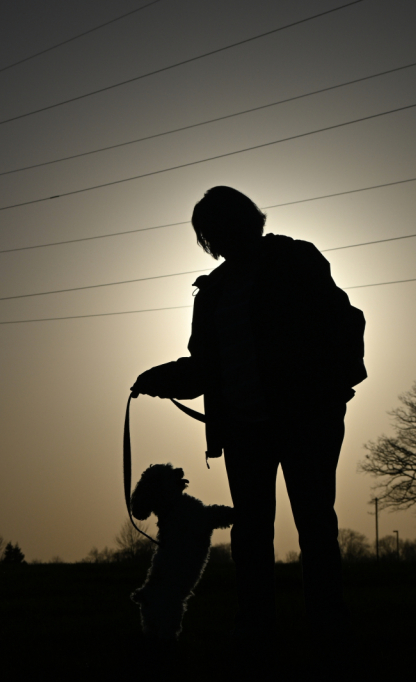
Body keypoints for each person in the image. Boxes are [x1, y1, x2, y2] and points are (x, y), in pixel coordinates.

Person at [131, 186, 363, 650]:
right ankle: (256, 626)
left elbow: (344, 323)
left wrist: (333, 391)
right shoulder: (212, 292)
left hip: (305, 421)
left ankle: (327, 627)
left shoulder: (295, 260)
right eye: (208, 233)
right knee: (252, 532)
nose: (215, 240)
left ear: (247, 221)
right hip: (242, 432)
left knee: (314, 524)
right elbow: (206, 366)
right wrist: (159, 379)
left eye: (219, 228)